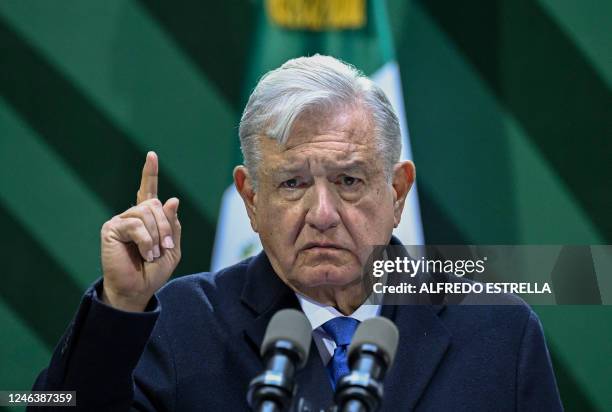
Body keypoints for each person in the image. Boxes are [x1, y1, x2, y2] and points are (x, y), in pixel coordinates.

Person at [31, 55, 562, 411]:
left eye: (349, 180)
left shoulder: (497, 330)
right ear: (252, 199)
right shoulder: (181, 325)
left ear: (398, 193)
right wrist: (121, 305)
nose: (322, 213)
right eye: (292, 183)